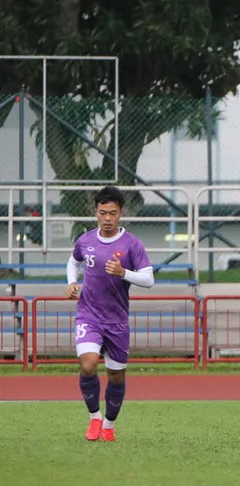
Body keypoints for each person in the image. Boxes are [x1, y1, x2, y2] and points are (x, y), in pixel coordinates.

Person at [65, 186, 154, 442]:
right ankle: (94, 418)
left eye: (112, 213)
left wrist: (123, 273)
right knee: (88, 364)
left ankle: (109, 424)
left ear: (120, 213)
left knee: (115, 375)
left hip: (117, 321)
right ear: (96, 212)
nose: (107, 218)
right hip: (88, 316)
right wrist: (72, 283)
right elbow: (73, 261)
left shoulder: (131, 244)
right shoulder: (86, 240)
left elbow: (149, 279)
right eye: (102, 213)